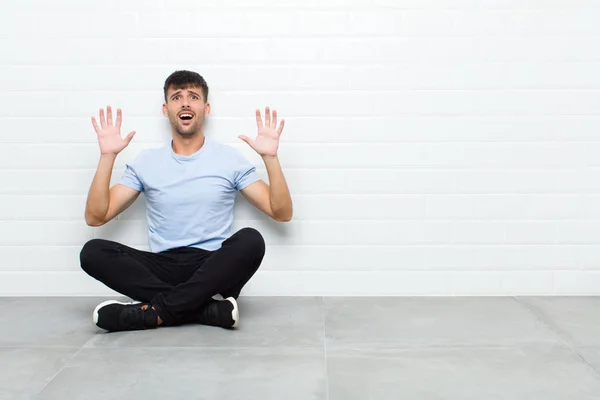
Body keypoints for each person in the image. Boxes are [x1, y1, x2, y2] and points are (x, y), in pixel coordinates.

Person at [79, 70, 293, 333]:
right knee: (93, 252)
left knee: (251, 240)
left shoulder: (230, 160)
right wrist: (107, 156)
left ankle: (154, 312)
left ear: (206, 107)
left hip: (213, 269)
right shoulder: (146, 162)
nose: (185, 103)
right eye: (176, 97)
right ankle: (206, 309)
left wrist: (270, 158)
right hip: (161, 267)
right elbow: (96, 216)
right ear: (166, 108)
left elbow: (281, 212)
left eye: (193, 96)